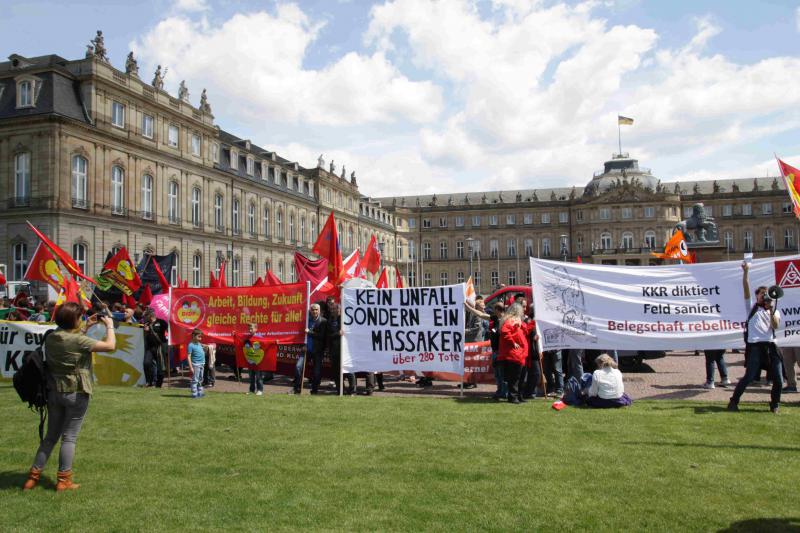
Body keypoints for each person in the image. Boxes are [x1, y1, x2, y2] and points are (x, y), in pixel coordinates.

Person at [22, 302, 116, 491]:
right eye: (79, 318)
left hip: (54, 391)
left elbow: (70, 340)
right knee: (69, 437)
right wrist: (110, 326)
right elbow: (110, 345)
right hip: (76, 391)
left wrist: (85, 328)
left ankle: (33, 476)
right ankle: (64, 480)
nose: (82, 320)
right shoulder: (79, 341)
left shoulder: (51, 337)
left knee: (50, 437)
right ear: (73, 320)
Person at [729, 263, 783, 413]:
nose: (764, 295)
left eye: (766, 293)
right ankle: (733, 401)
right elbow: (745, 286)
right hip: (755, 347)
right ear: (757, 296)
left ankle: (775, 404)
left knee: (778, 379)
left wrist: (771, 310)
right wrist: (746, 272)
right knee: (749, 376)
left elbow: (775, 326)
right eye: (761, 293)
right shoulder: (751, 307)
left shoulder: (774, 309)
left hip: (771, 346)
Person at [497, 303, 534, 404]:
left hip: (520, 353)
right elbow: (505, 332)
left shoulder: (517, 321)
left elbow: (527, 330)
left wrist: (535, 322)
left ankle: (518, 395)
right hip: (515, 354)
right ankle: (513, 396)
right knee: (515, 377)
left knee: (520, 377)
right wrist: (513, 342)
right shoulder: (511, 321)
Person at [295, 304, 327, 394]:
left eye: (316, 310)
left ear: (319, 311)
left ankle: (314, 390)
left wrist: (310, 332)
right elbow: (300, 335)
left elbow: (321, 336)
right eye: (313, 310)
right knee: (298, 367)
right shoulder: (306, 321)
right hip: (306, 349)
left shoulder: (323, 321)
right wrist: (303, 345)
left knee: (316, 372)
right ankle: (297, 388)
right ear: (310, 311)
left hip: (317, 351)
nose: (314, 311)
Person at [141, 309, 165, 388]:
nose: (144, 318)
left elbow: (169, 329)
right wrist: (145, 330)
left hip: (159, 347)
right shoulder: (146, 324)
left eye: (146, 316)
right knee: (146, 363)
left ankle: (159, 384)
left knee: (160, 367)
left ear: (150, 316)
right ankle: (149, 382)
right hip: (149, 347)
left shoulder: (161, 322)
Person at [239, 323, 264, 396]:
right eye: (249, 329)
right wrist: (234, 335)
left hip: (258, 361)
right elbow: (240, 340)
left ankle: (260, 390)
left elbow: (265, 345)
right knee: (251, 376)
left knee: (258, 376)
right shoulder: (248, 337)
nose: (250, 330)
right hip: (250, 360)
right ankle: (251, 390)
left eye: (251, 329)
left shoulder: (260, 337)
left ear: (256, 329)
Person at [488, 302, 506, 400]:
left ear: (497, 310)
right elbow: (482, 315)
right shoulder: (495, 319)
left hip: (501, 350)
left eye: (495, 310)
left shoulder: (505, 320)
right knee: (498, 374)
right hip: (496, 350)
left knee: (501, 374)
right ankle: (500, 391)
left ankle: (503, 392)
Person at [327, 303, 344, 392]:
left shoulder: (345, 319)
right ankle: (339, 389)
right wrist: (338, 334)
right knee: (336, 371)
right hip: (334, 350)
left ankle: (352, 390)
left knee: (347, 371)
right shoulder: (329, 321)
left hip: (344, 350)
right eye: (332, 309)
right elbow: (328, 336)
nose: (333, 311)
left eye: (335, 309)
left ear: (340, 310)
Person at [187, 328, 206, 399]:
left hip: (202, 364)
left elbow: (203, 351)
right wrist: (191, 367)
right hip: (196, 365)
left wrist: (206, 349)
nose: (200, 338)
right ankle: (194, 394)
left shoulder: (200, 344)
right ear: (194, 336)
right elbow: (188, 356)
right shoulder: (190, 345)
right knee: (195, 379)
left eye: (201, 337)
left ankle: (200, 392)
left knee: (201, 379)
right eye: (199, 337)